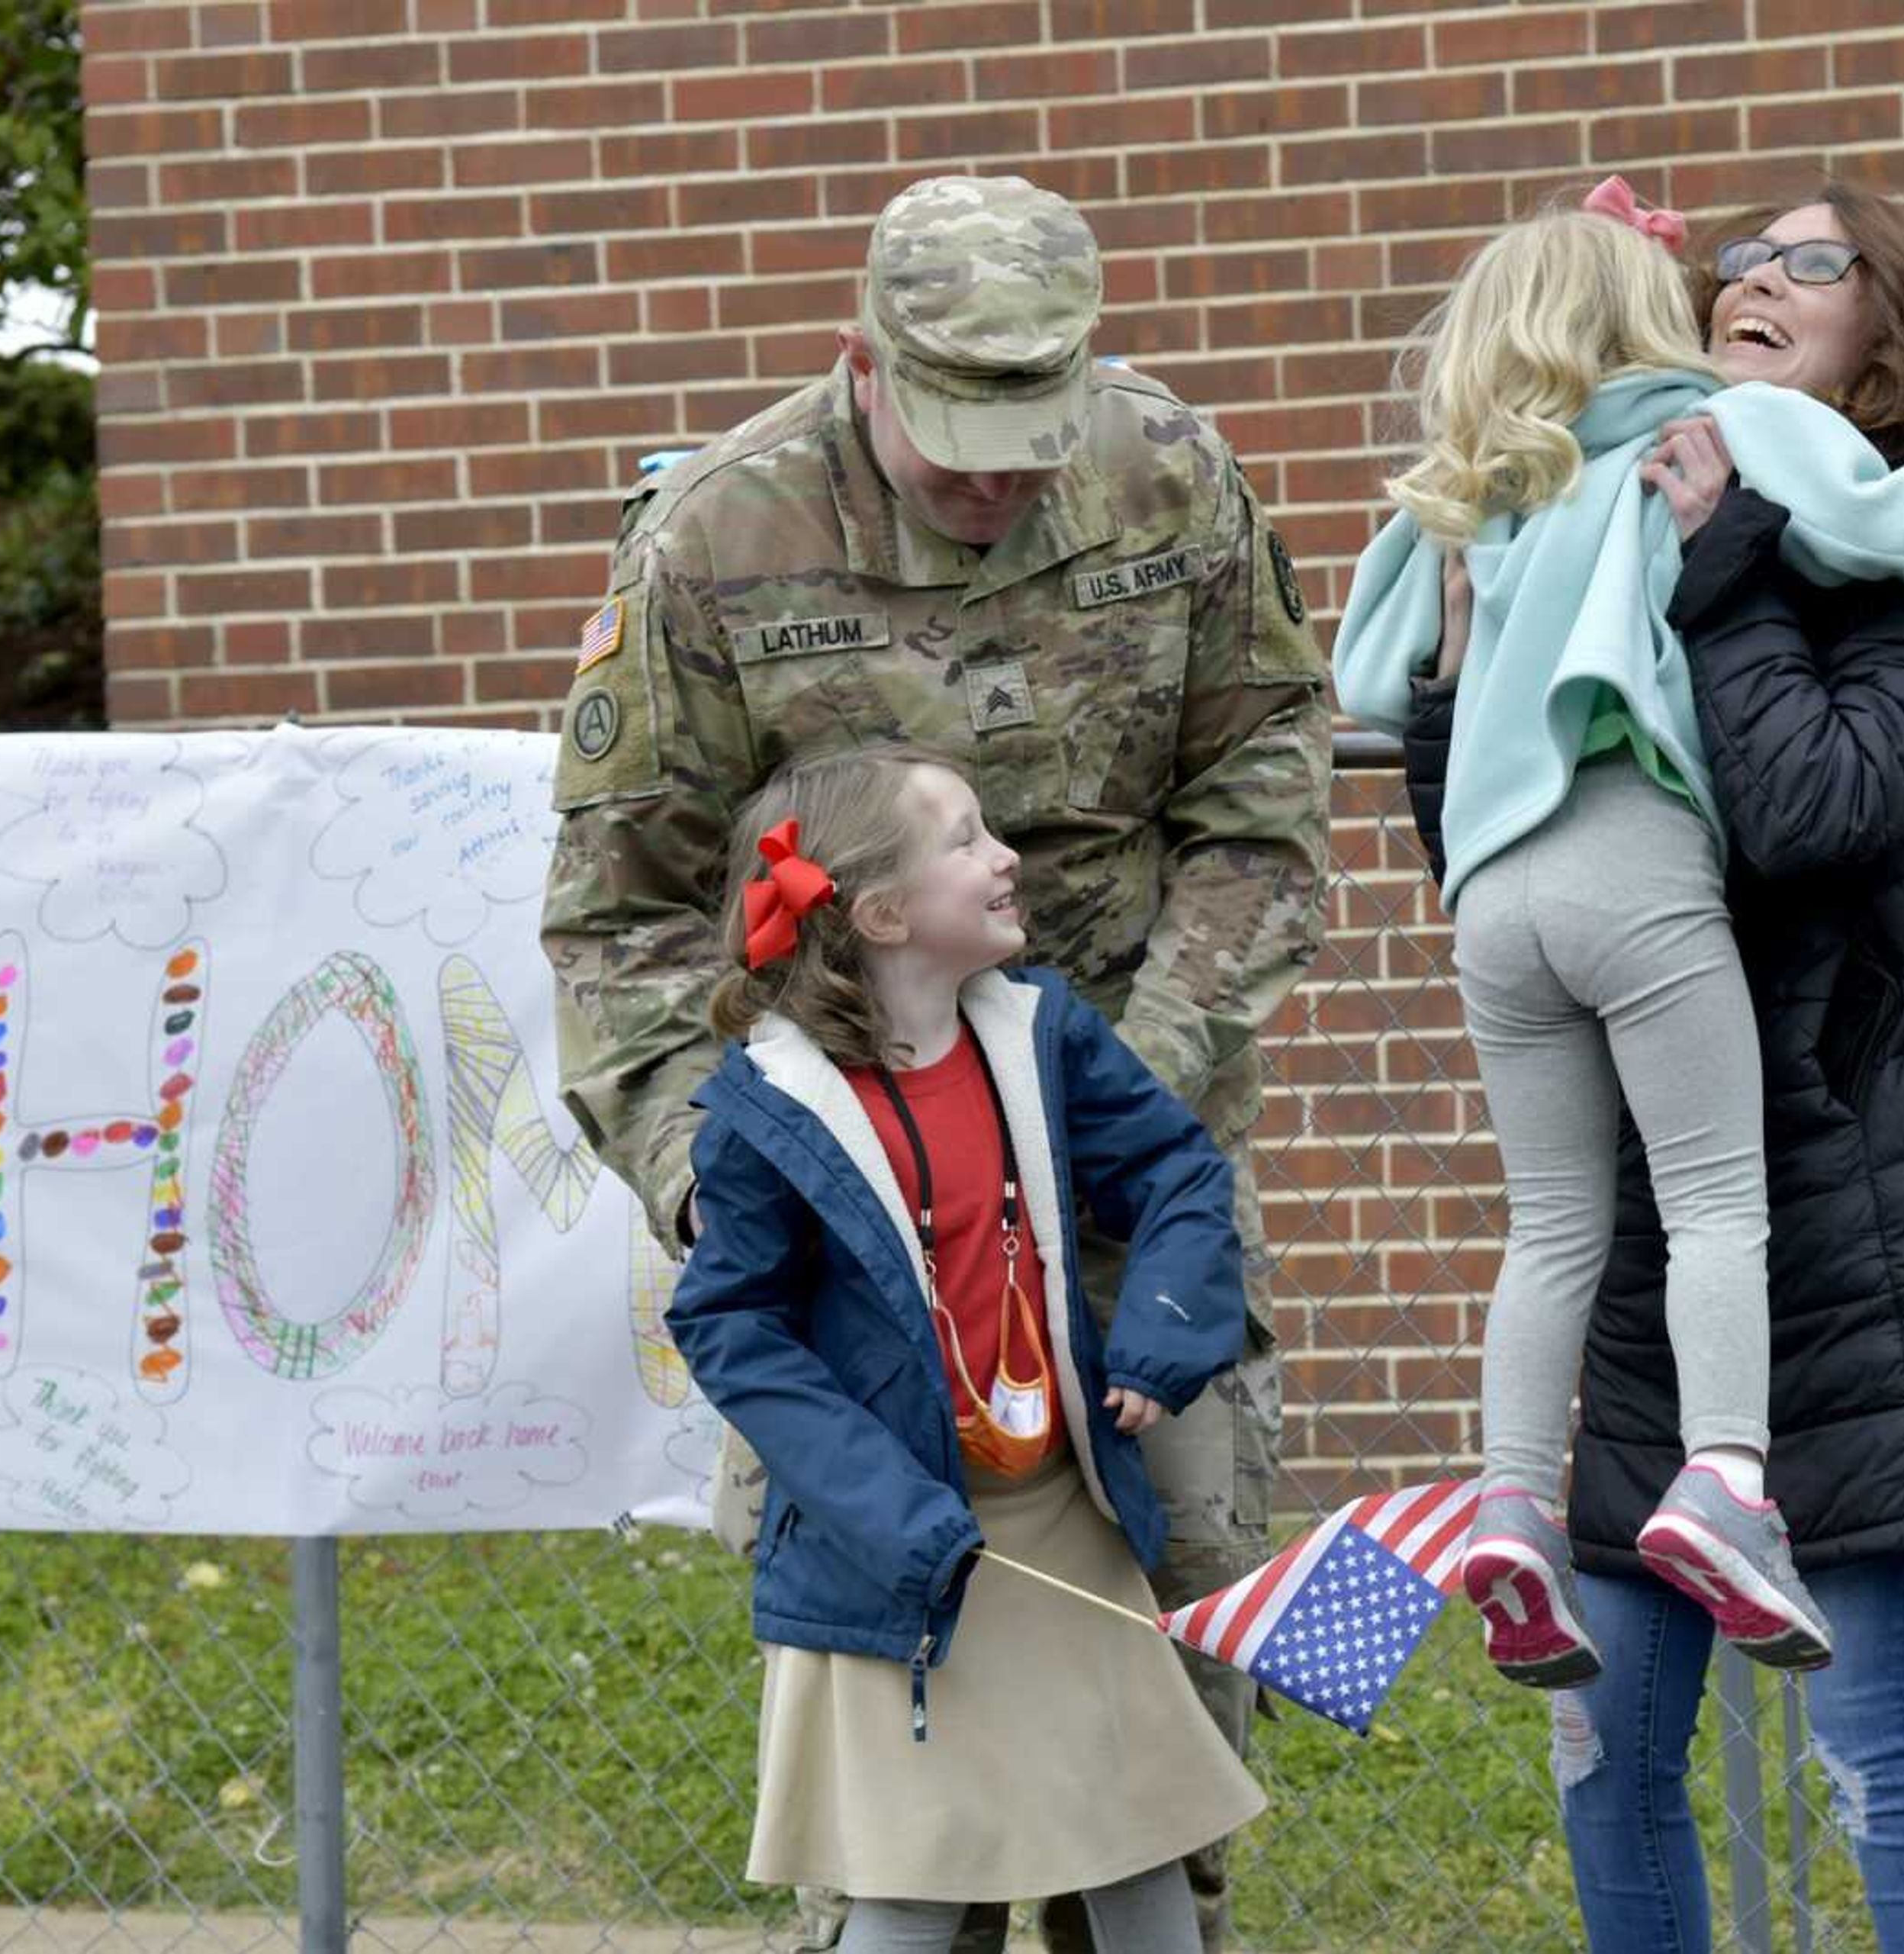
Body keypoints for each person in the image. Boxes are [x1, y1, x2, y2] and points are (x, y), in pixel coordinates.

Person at [541, 174, 1330, 1952]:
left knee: (1162, 1718)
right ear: (864, 366)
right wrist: (741, 1171)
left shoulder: (1173, 478)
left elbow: (1266, 801)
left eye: (1028, 431)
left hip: (1125, 1204)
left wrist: (1114, 1086)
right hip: (857, 1245)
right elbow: (618, 918)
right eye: (958, 433)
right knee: (904, 1756)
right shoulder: (718, 542)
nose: (996, 477)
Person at [1409, 182, 1904, 1954]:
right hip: (1674, 1247)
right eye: (1738, 261)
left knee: (1871, 1741)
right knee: (1601, 1751)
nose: (1749, 282)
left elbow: (1811, 813)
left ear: (1903, 335)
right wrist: (1466, 668)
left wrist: (1726, 567)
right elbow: (1490, 836)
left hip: (1878, 1232)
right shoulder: (1620, 496)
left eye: (1810, 262)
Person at [664, 746, 1264, 1954]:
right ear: (884, 914)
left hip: (1064, 1523)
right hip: (904, 1554)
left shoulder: (1044, 1035)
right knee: (916, 1880)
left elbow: (1180, 1173)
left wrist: (1160, 1338)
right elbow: (735, 1327)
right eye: (968, 837)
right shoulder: (767, 1109)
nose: (1007, 858)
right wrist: (894, 1514)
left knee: (1137, 1842)